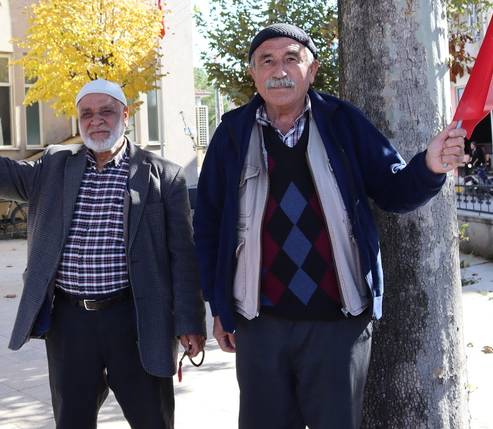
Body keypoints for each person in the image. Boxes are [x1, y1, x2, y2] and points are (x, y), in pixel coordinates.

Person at [193, 24, 466, 429]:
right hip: (258, 322)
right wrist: (219, 308)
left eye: (291, 58)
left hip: (339, 325)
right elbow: (209, 227)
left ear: (313, 69)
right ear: (253, 73)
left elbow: (393, 191)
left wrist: (429, 165)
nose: (279, 70)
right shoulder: (231, 133)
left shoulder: (343, 122)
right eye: (266, 60)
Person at [0, 78, 206, 429]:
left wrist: (189, 323)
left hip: (136, 318)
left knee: (152, 418)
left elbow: (183, 255)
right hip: (71, 323)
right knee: (71, 419)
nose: (96, 120)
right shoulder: (55, 166)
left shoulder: (162, 175)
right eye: (87, 113)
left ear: (125, 114)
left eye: (106, 111)